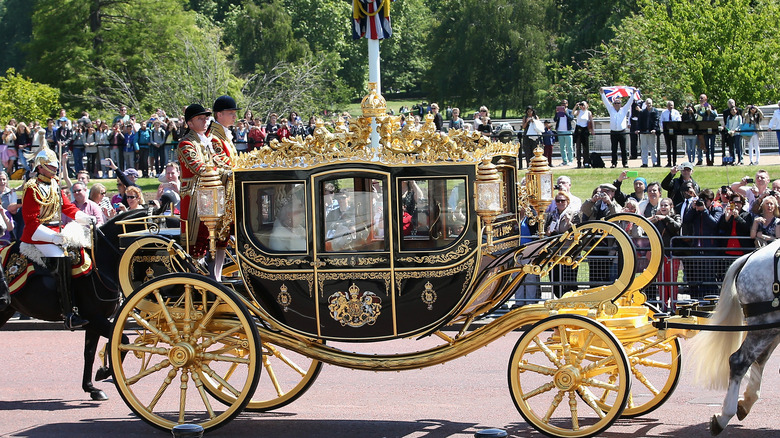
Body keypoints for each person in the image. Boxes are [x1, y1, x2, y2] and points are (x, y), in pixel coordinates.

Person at [20, 143, 97, 329]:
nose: (55, 169)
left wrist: (85, 217)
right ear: (40, 167)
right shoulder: (32, 188)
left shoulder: (55, 184)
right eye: (52, 166)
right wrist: (52, 238)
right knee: (61, 257)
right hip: (38, 234)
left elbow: (68, 207)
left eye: (55, 166)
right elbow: (31, 222)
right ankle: (68, 313)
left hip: (57, 232)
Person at [178, 103, 232, 280]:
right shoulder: (186, 144)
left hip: (209, 195)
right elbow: (200, 168)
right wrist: (227, 173)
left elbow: (218, 162)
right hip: (194, 196)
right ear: (190, 123)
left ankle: (212, 274)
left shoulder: (205, 141)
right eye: (200, 118)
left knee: (214, 235)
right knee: (197, 238)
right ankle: (196, 274)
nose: (205, 121)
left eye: (206, 118)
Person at [682, 188, 722, 298]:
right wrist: (693, 209)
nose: (703, 203)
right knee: (697, 277)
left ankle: (711, 300)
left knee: (709, 277)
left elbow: (714, 223)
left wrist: (704, 211)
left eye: (706, 201)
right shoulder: (696, 209)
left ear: (710, 200)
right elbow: (686, 220)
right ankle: (699, 300)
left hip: (710, 248)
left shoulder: (716, 208)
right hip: (697, 248)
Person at [648, 197, 681, 305]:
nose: (663, 207)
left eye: (665, 205)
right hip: (660, 254)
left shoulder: (676, 216)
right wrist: (654, 219)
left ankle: (674, 304)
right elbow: (646, 228)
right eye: (661, 205)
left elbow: (677, 227)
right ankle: (664, 304)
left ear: (671, 206)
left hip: (672, 255)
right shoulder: (658, 219)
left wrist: (665, 218)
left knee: (672, 281)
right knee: (661, 281)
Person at [545, 191, 578, 297]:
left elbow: (578, 232)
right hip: (554, 253)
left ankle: (570, 302)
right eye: (557, 201)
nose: (560, 203)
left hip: (568, 253)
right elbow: (546, 232)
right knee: (555, 280)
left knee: (569, 281)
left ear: (567, 202)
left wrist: (569, 223)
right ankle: (559, 299)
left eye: (562, 200)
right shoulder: (551, 215)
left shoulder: (574, 214)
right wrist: (548, 232)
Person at [600, 87, 635, 168]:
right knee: (614, 149)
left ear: (621, 104)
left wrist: (633, 94)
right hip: (613, 132)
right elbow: (605, 102)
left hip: (622, 131)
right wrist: (602, 93)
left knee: (624, 149)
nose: (616, 104)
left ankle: (625, 163)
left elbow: (629, 102)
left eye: (618, 103)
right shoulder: (611, 109)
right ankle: (614, 163)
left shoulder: (624, 110)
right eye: (615, 103)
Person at [635, 98, 659, 168]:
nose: (648, 105)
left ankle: (655, 162)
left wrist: (654, 129)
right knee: (643, 148)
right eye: (647, 103)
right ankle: (644, 163)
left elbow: (656, 121)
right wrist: (638, 129)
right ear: (645, 104)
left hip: (651, 133)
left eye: (650, 103)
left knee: (652, 148)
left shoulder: (655, 111)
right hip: (643, 132)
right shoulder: (642, 112)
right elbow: (639, 122)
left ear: (652, 104)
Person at [695, 94, 717, 166]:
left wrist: (710, 110)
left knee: (712, 146)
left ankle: (712, 160)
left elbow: (716, 115)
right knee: (706, 146)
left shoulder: (712, 113)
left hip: (713, 131)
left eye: (702, 98)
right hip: (706, 132)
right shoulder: (704, 115)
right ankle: (708, 160)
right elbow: (699, 113)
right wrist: (700, 107)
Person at [659, 101, 681, 168]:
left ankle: (674, 162)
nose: (670, 106)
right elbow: (661, 122)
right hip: (667, 132)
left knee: (674, 147)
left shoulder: (676, 112)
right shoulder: (664, 113)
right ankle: (669, 162)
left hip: (674, 132)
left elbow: (679, 121)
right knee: (668, 147)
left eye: (671, 105)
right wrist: (664, 128)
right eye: (669, 105)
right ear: (667, 106)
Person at [572, 101, 594, 168]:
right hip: (578, 129)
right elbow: (573, 113)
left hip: (585, 130)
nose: (583, 107)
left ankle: (586, 162)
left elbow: (591, 120)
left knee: (586, 147)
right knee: (578, 147)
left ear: (587, 105)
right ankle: (579, 162)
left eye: (584, 105)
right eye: (582, 105)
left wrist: (592, 129)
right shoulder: (579, 112)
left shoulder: (588, 112)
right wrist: (576, 106)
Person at [554, 100, 574, 166]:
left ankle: (570, 160)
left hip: (568, 131)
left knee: (569, 146)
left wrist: (565, 112)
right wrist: (557, 113)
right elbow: (555, 120)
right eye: (562, 103)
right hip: (560, 131)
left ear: (567, 104)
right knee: (562, 147)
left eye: (564, 103)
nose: (563, 105)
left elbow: (571, 118)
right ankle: (564, 161)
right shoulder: (559, 112)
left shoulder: (570, 111)